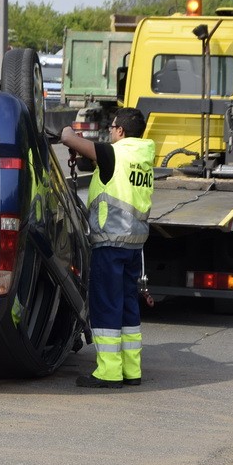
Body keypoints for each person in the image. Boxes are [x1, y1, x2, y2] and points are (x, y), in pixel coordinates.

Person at [60, 108, 156, 388]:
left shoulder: (115, 153)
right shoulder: (142, 159)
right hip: (134, 246)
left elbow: (68, 138)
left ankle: (108, 372)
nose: (110, 132)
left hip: (110, 244)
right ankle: (131, 370)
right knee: (128, 307)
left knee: (105, 306)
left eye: (112, 127)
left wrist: (68, 132)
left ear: (121, 131)